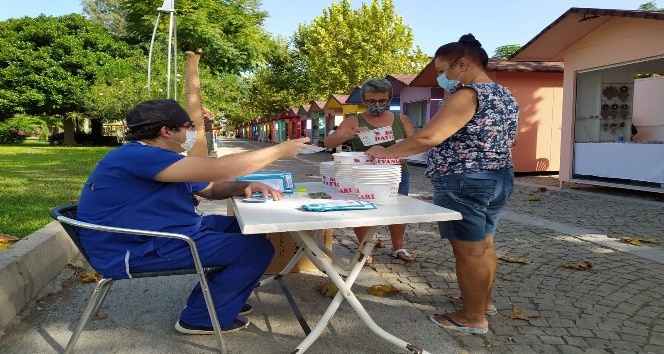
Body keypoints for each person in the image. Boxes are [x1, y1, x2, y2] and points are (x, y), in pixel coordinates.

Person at [77, 99, 310, 334]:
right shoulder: (139, 156)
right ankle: (201, 318)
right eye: (187, 126)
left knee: (242, 227)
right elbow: (220, 169)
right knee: (255, 250)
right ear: (166, 131)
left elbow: (209, 188)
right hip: (135, 247)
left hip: (161, 233)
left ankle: (219, 300)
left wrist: (245, 185)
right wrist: (280, 150)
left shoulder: (158, 158)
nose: (191, 132)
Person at [366, 34, 519, 334]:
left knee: (469, 251)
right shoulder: (505, 96)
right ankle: (483, 302)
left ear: (462, 64)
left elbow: (427, 137)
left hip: (465, 180)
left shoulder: (466, 94)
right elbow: (513, 139)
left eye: (442, 70)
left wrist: (384, 152)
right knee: (485, 244)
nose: (441, 77)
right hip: (499, 176)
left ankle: (472, 317)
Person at [325, 78, 417, 263]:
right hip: (362, 175)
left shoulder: (401, 119)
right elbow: (329, 143)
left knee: (398, 210)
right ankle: (364, 249)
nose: (377, 105)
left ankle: (398, 247)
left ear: (390, 98)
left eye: (382, 101)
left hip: (396, 174)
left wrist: (403, 153)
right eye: (371, 101)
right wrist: (349, 134)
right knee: (362, 212)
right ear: (364, 100)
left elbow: (414, 144)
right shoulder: (353, 120)